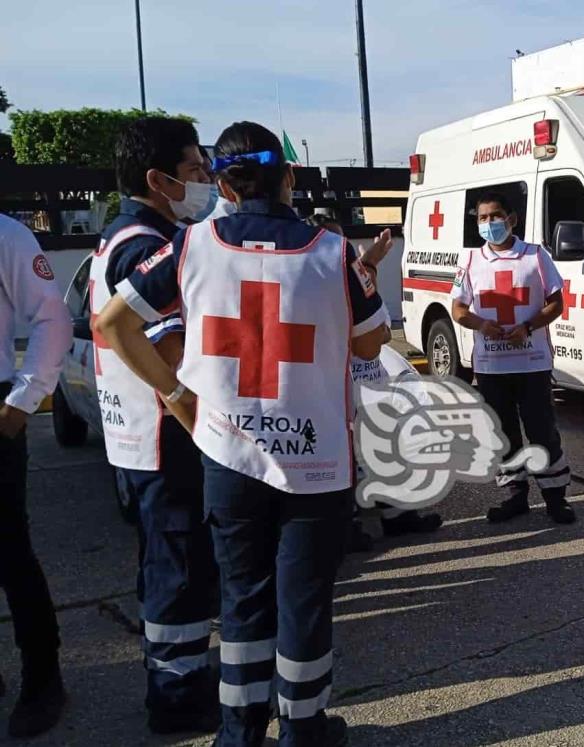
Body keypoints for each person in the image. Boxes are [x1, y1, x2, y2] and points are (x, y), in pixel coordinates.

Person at [97, 121, 391, 747]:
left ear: (225, 185)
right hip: (316, 463)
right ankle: (304, 730)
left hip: (228, 458)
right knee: (304, 603)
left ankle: (238, 731)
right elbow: (372, 340)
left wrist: (179, 398)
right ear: (289, 177)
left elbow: (112, 324)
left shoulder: (187, 247)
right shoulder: (333, 252)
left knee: (242, 601)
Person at [93, 116, 220, 735]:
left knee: (169, 560)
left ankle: (179, 674)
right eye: (196, 170)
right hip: (165, 429)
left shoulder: (123, 234)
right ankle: (177, 695)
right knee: (178, 566)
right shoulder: (146, 245)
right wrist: (188, 401)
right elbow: (169, 350)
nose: (206, 182)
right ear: (157, 179)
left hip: (143, 431)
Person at [303, 213, 443, 545]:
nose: (339, 249)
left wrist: (371, 263)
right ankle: (347, 530)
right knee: (343, 463)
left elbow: (373, 315)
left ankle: (397, 518)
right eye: (331, 241)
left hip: (371, 385)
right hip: (338, 391)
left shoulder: (350, 276)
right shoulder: (309, 286)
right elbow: (377, 334)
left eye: (342, 242)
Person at [451, 193, 576, 525]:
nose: (489, 223)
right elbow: (459, 310)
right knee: (504, 434)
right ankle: (514, 496)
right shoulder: (470, 260)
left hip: (532, 363)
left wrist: (528, 326)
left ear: (512, 219)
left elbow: (556, 304)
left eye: (495, 216)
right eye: (482, 218)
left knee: (542, 431)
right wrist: (482, 325)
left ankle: (555, 499)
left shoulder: (535, 256)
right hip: (491, 367)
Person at [0, 212, 71, 738]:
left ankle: (43, 677)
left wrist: (24, 399)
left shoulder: (7, 234)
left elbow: (52, 316)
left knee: (8, 550)